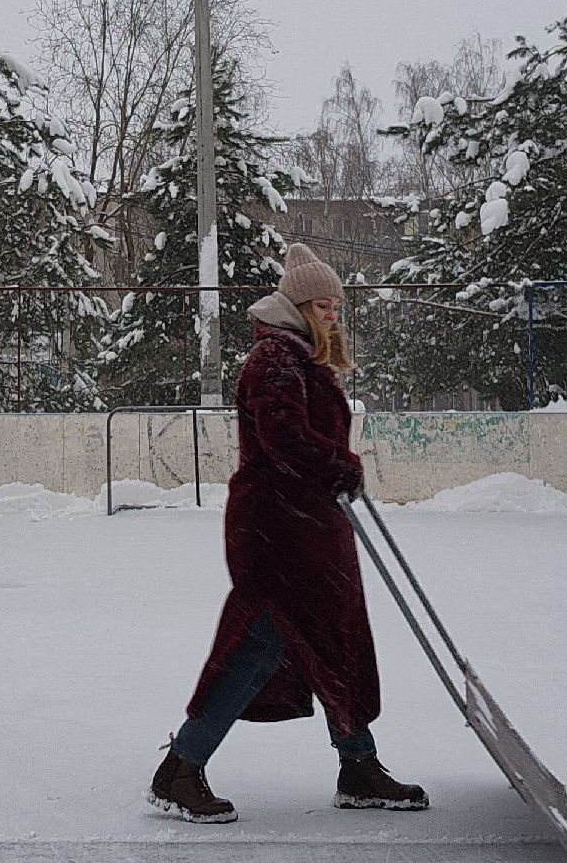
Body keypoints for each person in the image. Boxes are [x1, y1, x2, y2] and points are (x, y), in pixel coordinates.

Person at [147, 243, 428, 823]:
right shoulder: (275, 359)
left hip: (308, 525)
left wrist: (332, 476)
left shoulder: (297, 356)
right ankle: (180, 768)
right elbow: (284, 440)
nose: (332, 315)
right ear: (297, 305)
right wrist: (340, 466)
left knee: (338, 641)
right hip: (279, 530)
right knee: (259, 645)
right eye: (323, 305)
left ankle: (359, 767)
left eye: (335, 306)